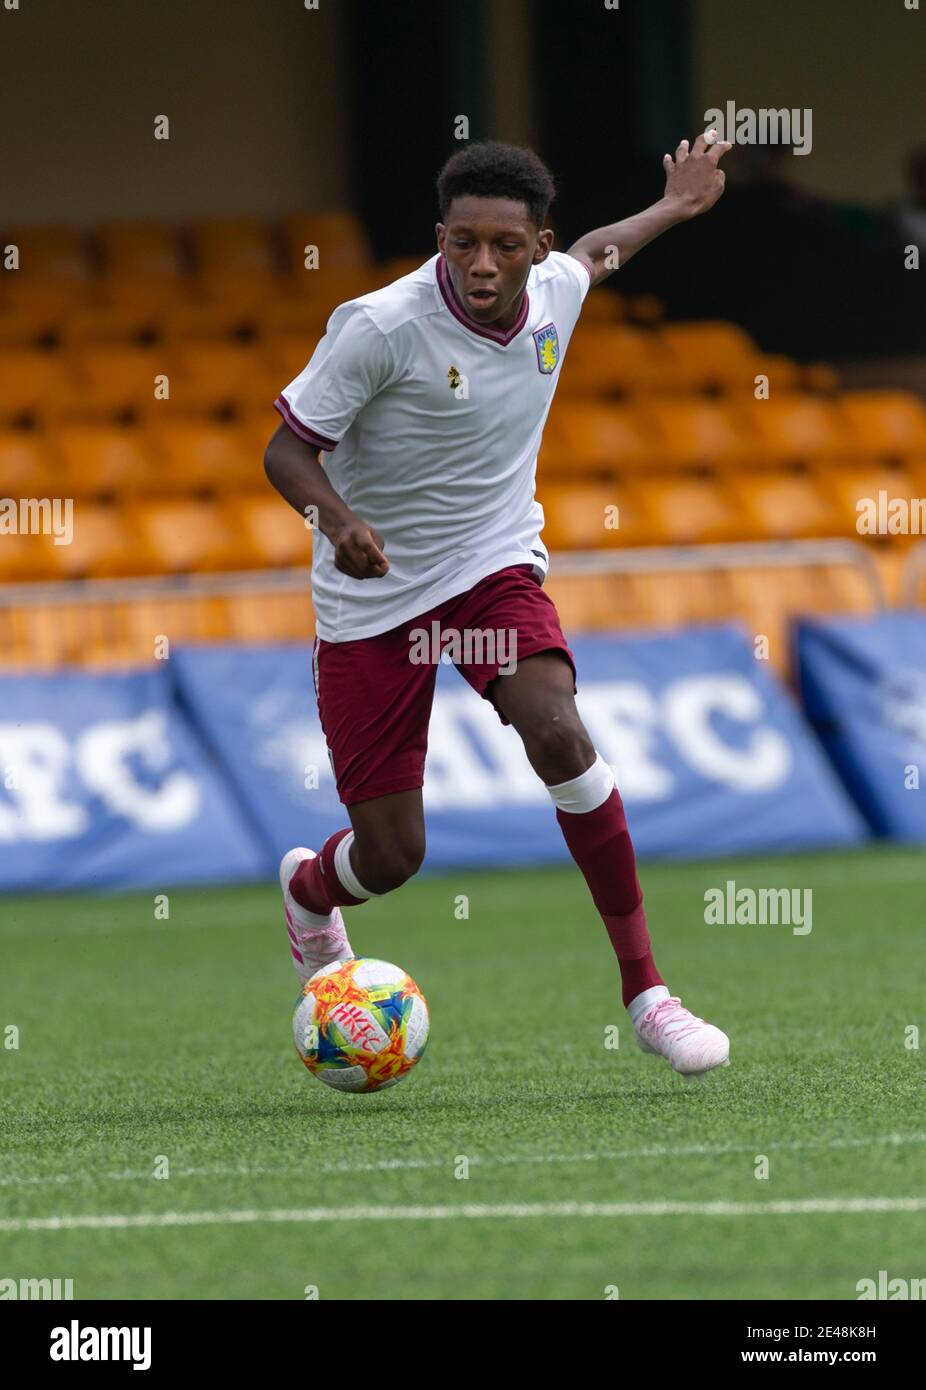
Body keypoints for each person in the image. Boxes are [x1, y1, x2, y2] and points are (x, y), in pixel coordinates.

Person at [265, 134, 733, 1078]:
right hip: (374, 600)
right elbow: (286, 450)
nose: (483, 264)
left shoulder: (558, 288)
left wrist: (674, 207)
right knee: (393, 857)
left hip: (490, 569)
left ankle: (647, 992)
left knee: (557, 731)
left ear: (536, 245)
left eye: (506, 246)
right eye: (463, 242)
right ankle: (312, 889)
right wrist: (339, 520)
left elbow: (601, 253)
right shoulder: (379, 325)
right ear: (440, 237)